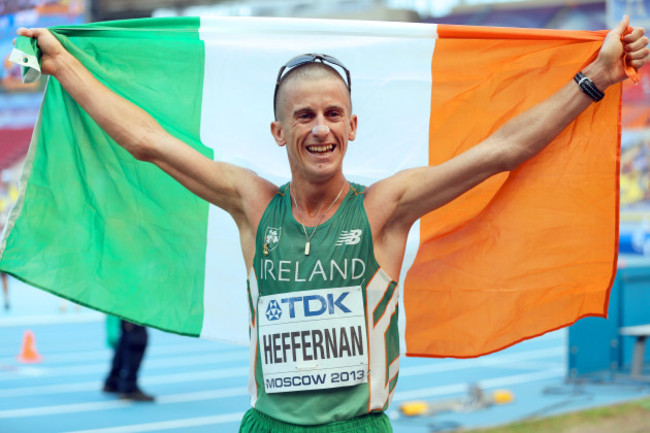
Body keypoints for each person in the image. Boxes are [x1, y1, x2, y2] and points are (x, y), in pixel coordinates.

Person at [16, 16, 650, 432]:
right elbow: (149, 143)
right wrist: (64, 66)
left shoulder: (385, 207)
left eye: (332, 114)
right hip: (268, 424)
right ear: (279, 131)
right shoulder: (251, 203)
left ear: (352, 127)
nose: (318, 127)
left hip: (359, 426)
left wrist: (594, 77)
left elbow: (501, 151)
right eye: (304, 116)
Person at [103, 316, 155, 402]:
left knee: (127, 335)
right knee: (137, 337)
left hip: (126, 306)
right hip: (133, 307)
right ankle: (128, 388)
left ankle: (113, 381)